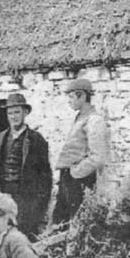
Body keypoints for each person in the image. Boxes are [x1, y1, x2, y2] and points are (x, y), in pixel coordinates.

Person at [0, 92, 52, 241]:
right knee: (2, 235)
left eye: (17, 112)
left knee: (25, 235)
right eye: (10, 113)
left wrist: (39, 206)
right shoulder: (0, 139)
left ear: (25, 113)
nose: (13, 117)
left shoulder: (36, 140)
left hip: (26, 198)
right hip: (4, 194)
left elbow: (45, 177)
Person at [53, 78, 111, 225]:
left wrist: (75, 173)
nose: (69, 101)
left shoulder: (94, 120)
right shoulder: (80, 118)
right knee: (61, 222)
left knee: (78, 223)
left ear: (82, 96)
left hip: (79, 181)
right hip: (68, 179)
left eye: (71, 96)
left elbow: (98, 157)